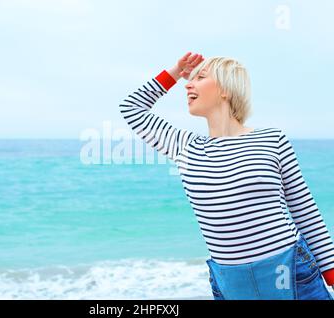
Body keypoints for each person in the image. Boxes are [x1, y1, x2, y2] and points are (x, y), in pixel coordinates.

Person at [118, 51, 334, 300]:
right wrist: (175, 72)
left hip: (292, 273)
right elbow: (131, 108)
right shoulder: (185, 146)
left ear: (226, 89)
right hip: (231, 284)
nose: (189, 84)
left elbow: (304, 211)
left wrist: (331, 274)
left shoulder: (272, 139)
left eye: (200, 77)